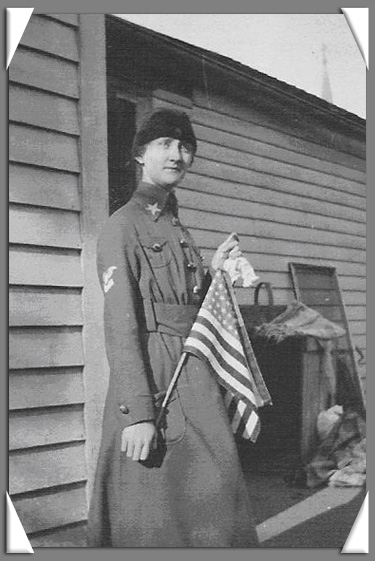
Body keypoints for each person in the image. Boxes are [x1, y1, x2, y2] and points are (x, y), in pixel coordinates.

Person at [87, 108, 259, 548]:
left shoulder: (174, 224)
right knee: (152, 510)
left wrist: (215, 272)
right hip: (157, 376)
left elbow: (188, 306)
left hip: (191, 370)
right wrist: (138, 414)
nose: (177, 155)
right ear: (140, 154)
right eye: (165, 144)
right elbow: (121, 325)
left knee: (209, 498)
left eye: (185, 147)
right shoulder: (122, 227)